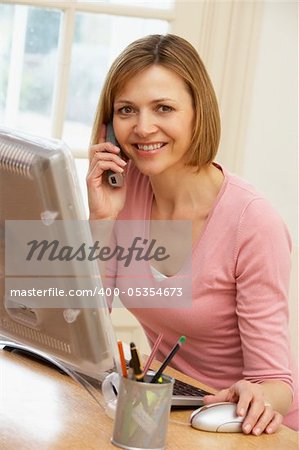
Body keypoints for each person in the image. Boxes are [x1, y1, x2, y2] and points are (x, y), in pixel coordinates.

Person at [87, 34, 298, 433]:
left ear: (198, 113)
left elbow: (278, 384)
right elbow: (82, 318)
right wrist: (101, 219)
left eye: (163, 108)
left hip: (247, 427)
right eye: (126, 110)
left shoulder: (252, 222)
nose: (143, 127)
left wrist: (257, 396)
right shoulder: (123, 192)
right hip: (170, 412)